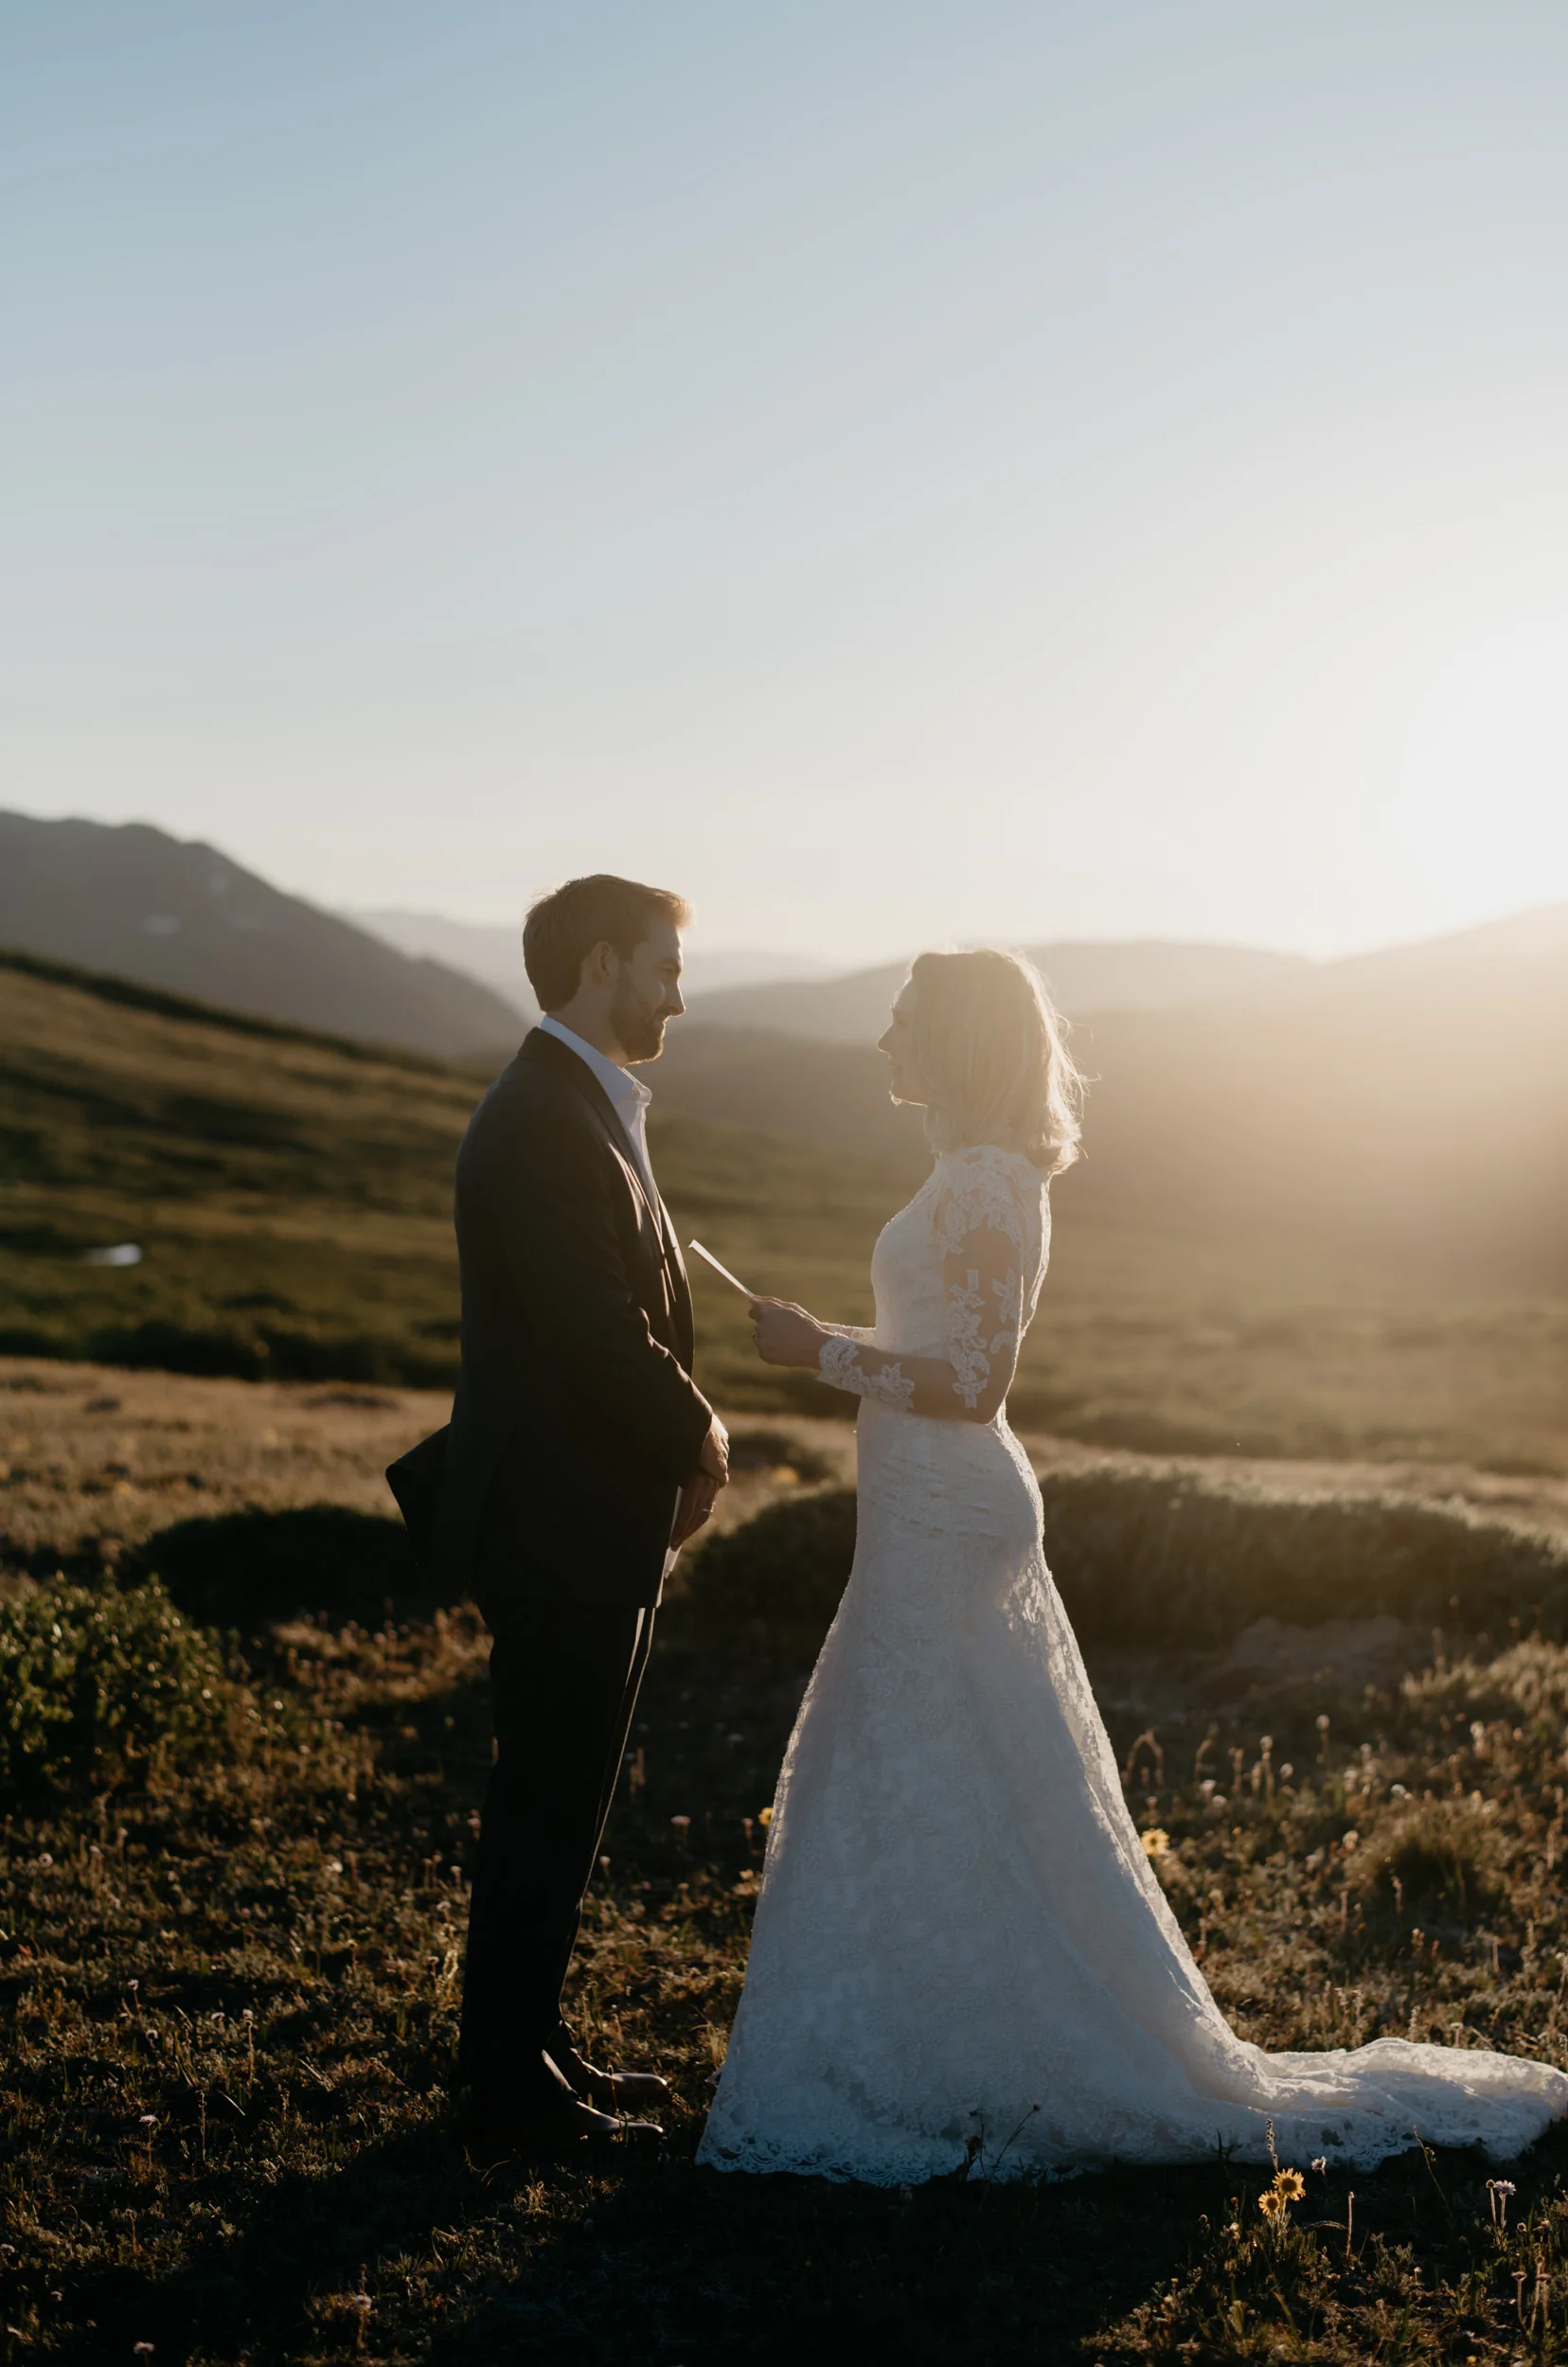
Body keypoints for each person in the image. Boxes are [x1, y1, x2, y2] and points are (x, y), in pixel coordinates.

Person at [698, 947, 1568, 2183]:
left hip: (949, 1506)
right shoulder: (966, 1170)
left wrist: (818, 1353)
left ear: (957, 1038)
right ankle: (933, 2024)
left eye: (904, 1019)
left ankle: (975, 2038)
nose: (885, 1038)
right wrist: (829, 1340)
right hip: (919, 1505)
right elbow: (938, 1348)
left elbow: (975, 1382)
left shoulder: (987, 1181)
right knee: (939, 1759)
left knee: (928, 1749)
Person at [425, 873, 728, 2153]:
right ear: (602, 964)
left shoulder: (577, 1100)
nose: (677, 996)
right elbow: (595, 1330)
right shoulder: (548, 1118)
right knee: (545, 1791)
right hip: (559, 1513)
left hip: (591, 1510)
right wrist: (700, 1432)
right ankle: (507, 2084)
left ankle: (533, 2044)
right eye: (665, 968)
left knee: (565, 1789)